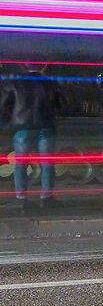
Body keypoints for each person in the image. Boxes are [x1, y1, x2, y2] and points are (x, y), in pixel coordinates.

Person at [8, 73, 59, 211]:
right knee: (47, 163)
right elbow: (61, 105)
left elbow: (7, 104)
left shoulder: (16, 82)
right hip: (45, 126)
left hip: (22, 126)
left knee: (21, 164)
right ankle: (46, 198)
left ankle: (21, 199)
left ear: (24, 66)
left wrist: (11, 122)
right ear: (43, 66)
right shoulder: (50, 83)